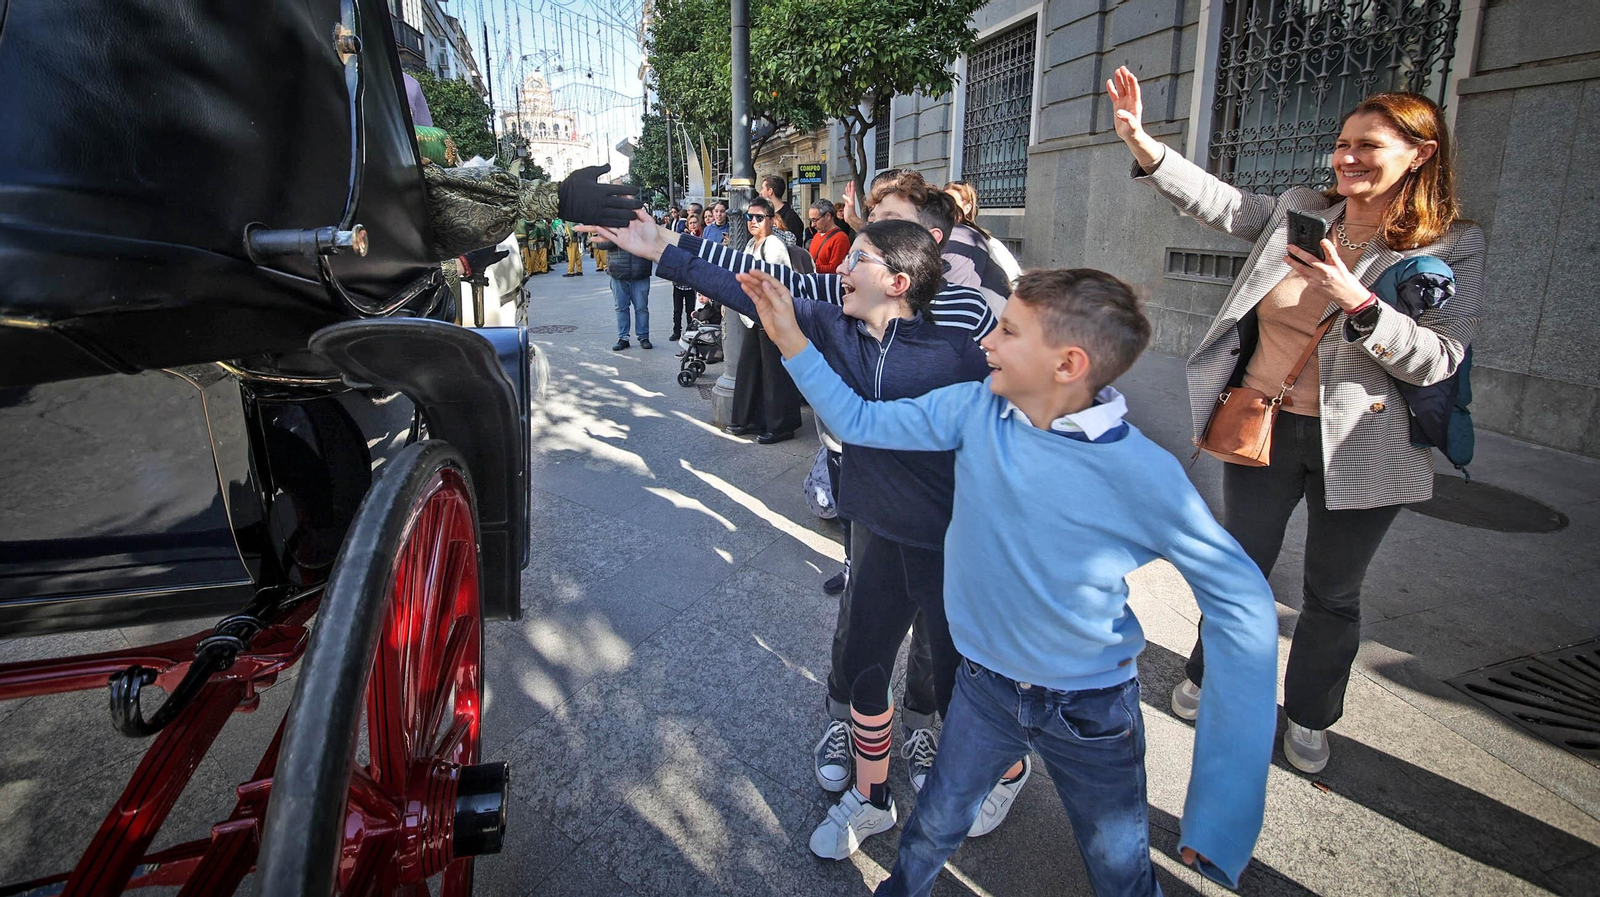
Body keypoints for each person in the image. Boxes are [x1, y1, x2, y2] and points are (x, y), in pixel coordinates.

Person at [740, 264, 1280, 896]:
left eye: (1008, 331)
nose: (986, 342)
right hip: (982, 690)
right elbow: (860, 422)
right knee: (932, 826)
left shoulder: (1144, 472)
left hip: (1092, 709)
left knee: (1118, 869)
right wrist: (790, 341)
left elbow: (1243, 601)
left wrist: (1222, 813)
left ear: (1068, 364)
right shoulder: (977, 409)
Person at [1108, 67, 1484, 774]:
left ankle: (1310, 713)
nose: (1345, 158)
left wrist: (1359, 300)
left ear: (1422, 153)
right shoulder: (1300, 209)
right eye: (1342, 143)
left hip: (1368, 441)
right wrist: (1144, 143)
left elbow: (1439, 359)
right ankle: (1211, 674)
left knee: (1332, 593)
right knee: (1238, 567)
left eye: (1368, 145)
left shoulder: (1453, 248)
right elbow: (1220, 205)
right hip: (1263, 420)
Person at [593, 210, 992, 861]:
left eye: (854, 259)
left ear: (896, 281)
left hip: (956, 543)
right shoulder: (839, 320)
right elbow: (748, 281)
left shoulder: (954, 353)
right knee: (864, 665)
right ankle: (871, 795)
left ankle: (975, 762)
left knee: (956, 675)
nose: (837, 268)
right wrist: (663, 247)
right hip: (877, 533)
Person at [725, 198, 803, 443]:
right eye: (750, 217)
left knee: (773, 372)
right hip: (754, 315)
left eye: (759, 217)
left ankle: (780, 425)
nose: (753, 222)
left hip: (771, 316)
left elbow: (778, 282)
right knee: (752, 369)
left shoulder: (774, 245)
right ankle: (752, 419)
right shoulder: (751, 244)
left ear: (771, 219)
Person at [944, 180, 1022, 287]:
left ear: (967, 208)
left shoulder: (990, 245)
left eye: (951, 204)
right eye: (942, 203)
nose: (944, 209)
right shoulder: (942, 239)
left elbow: (1014, 282)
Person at [595, 232, 653, 352]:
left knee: (641, 308)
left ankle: (643, 337)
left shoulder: (644, 224)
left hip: (640, 272)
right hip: (618, 273)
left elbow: (654, 243)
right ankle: (623, 338)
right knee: (621, 308)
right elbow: (598, 243)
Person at [808, 199, 850, 274]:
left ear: (828, 216)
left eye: (815, 220)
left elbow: (836, 269)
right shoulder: (817, 235)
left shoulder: (840, 238)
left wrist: (810, 266)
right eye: (811, 220)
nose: (812, 225)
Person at [761, 174, 805, 241]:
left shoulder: (791, 218)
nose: (761, 192)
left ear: (770, 191)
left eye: (762, 188)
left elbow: (795, 246)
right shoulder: (766, 214)